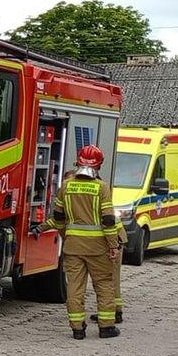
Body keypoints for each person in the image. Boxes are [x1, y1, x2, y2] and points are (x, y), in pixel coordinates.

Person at [35, 145, 121, 339]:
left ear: (78, 162)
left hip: (73, 247)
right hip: (98, 248)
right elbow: (108, 220)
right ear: (99, 165)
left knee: (74, 286)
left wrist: (64, 236)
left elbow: (58, 218)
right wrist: (113, 245)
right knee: (104, 285)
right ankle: (106, 327)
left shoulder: (66, 186)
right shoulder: (102, 187)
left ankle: (77, 329)